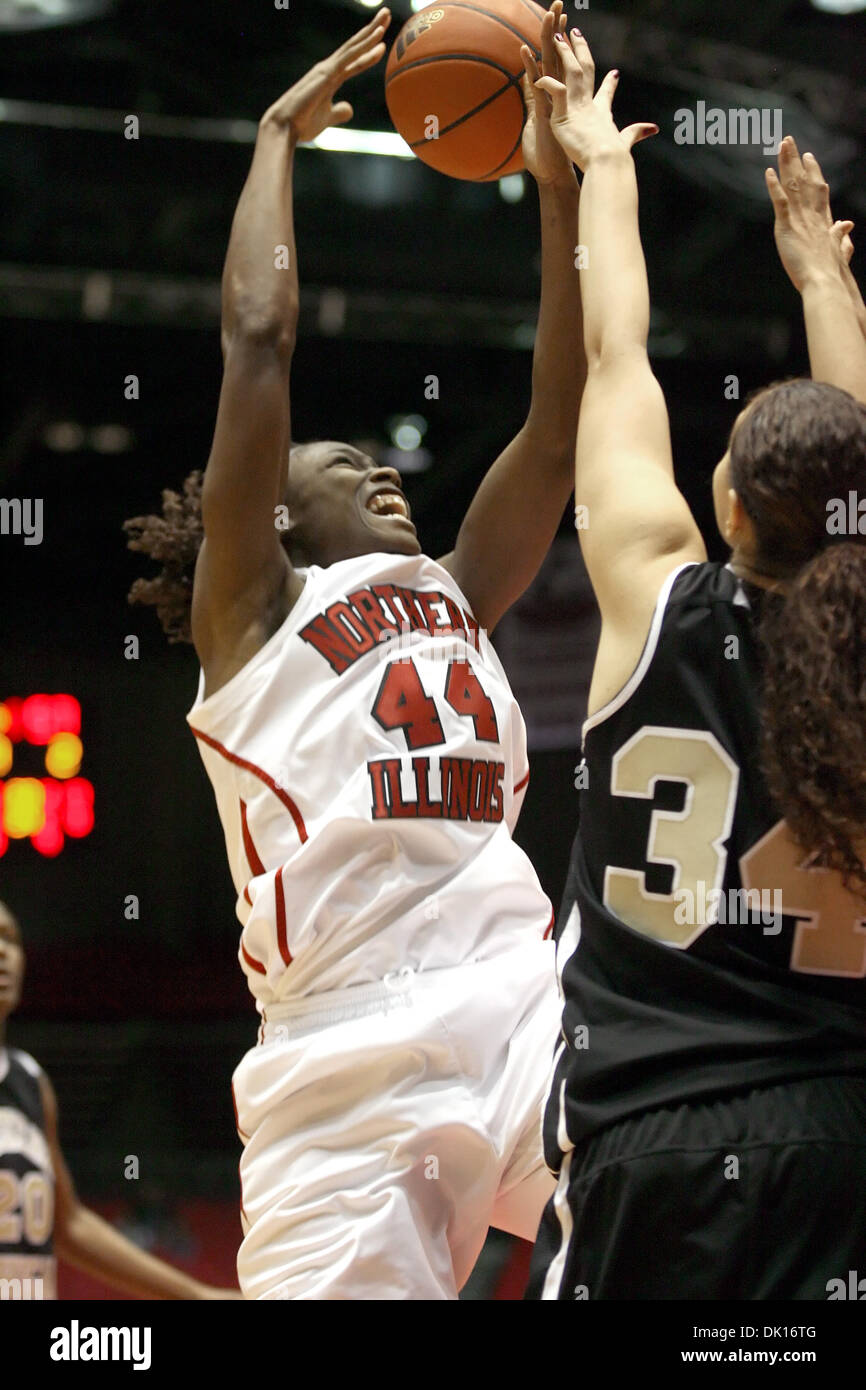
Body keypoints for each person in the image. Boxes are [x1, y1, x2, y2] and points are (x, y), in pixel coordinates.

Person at [124, 6, 617, 1300]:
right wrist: (275, 141)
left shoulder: (453, 589)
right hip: (343, 1059)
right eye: (344, 466)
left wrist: (556, 192)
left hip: (517, 1003)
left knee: (685, 1156)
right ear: (277, 517)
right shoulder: (253, 618)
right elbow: (257, 342)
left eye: (383, 458)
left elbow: (557, 431)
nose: (383, 470)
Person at [525, 28, 866, 1300]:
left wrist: (602, 168)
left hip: (652, 1139)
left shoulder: (654, 597)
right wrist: (824, 286)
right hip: (840, 1141)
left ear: (723, 507)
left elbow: (614, 357)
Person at [0, 899, 238, 1300]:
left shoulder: (30, 1082)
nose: (4, 952)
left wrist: (197, 1295)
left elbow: (69, 1224)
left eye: (11, 938)